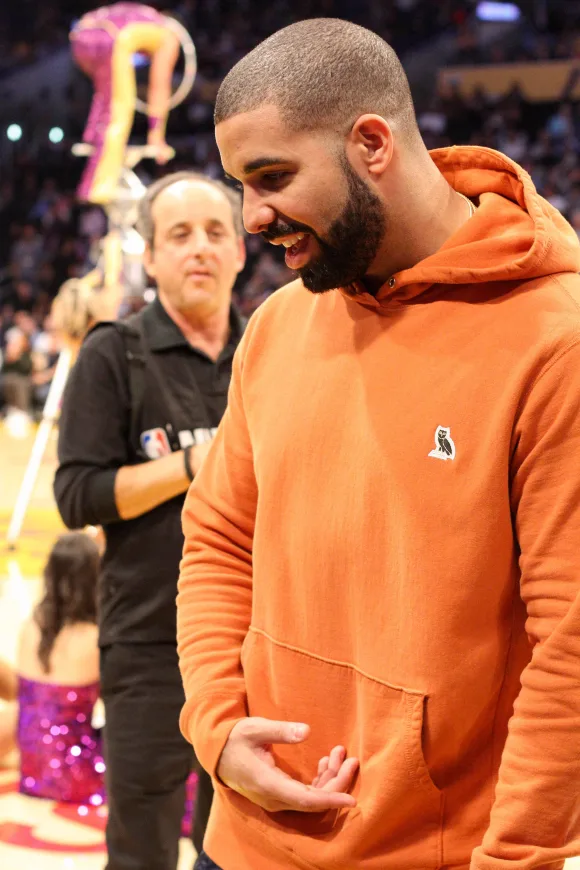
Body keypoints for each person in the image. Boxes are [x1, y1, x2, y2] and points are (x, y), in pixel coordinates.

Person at [176, 18, 580, 870]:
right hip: (239, 836)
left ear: (369, 144)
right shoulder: (278, 325)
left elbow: (570, 645)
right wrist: (216, 727)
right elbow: (216, 543)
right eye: (240, 185)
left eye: (272, 176)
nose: (251, 216)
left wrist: (517, 860)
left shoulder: (555, 340)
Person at [54, 170, 246, 870]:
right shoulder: (115, 352)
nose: (199, 248)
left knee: (239, 850)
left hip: (254, 646)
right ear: (153, 256)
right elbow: (78, 493)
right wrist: (197, 463)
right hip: (148, 642)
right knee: (142, 850)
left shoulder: (269, 351)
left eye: (215, 232)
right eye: (180, 235)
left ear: (239, 251)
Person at [0, 532, 105, 805]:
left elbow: (20, 696)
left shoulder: (30, 628)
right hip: (79, 774)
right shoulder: (97, 639)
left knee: (27, 710)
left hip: (31, 770)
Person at [70, 2, 180, 204]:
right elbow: (159, 86)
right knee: (120, 106)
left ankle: (92, 135)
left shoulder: (139, 13)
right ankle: (97, 187)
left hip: (80, 39)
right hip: (111, 39)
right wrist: (156, 134)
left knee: (106, 92)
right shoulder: (168, 35)